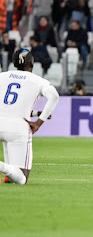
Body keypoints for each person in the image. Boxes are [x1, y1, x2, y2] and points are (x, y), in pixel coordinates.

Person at [0, 48, 59, 184]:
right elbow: (54, 96)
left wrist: (36, 113)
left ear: (14, 64)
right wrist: (39, 122)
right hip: (17, 128)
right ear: (32, 63)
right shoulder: (37, 80)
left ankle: (7, 173)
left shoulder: (2, 76)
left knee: (11, 176)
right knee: (22, 178)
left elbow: (9, 106)